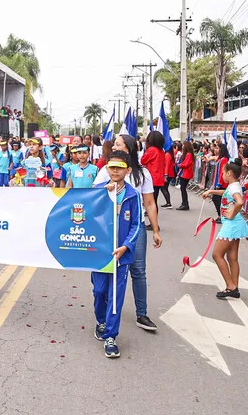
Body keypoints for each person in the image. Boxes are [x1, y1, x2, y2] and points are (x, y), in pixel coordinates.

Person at [93, 134, 161, 332]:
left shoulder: (142, 173)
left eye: (119, 143)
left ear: (129, 149)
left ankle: (142, 314)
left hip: (135, 227)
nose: (114, 145)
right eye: (114, 143)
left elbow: (149, 202)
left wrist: (155, 230)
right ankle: (107, 314)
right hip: (109, 228)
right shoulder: (106, 171)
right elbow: (94, 193)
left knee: (138, 270)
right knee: (107, 272)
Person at [91, 151, 142, 358]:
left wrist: (126, 246)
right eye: (111, 167)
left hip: (121, 256)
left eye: (119, 167)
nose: (114, 170)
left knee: (116, 295)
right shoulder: (96, 191)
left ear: (128, 170)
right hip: (99, 254)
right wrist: (103, 194)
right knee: (100, 291)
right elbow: (85, 216)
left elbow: (137, 224)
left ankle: (111, 336)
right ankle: (101, 321)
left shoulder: (132, 195)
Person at [202, 160, 248, 299]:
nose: (222, 175)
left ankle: (231, 286)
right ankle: (234, 286)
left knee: (217, 254)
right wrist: (211, 191)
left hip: (231, 224)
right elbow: (227, 193)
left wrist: (233, 213)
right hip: (235, 224)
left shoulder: (234, 187)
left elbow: (239, 201)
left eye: (223, 172)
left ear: (229, 173)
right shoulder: (234, 185)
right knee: (232, 257)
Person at [141, 131, 166, 210]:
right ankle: (153, 220)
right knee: (154, 200)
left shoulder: (151, 150)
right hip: (158, 179)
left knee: (151, 202)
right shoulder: (161, 151)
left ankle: (153, 220)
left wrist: (146, 149)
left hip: (152, 178)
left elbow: (143, 160)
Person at [176, 141, 195, 211]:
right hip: (185, 173)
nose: (183, 147)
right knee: (183, 189)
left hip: (186, 174)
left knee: (183, 189)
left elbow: (186, 164)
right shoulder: (188, 154)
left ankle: (185, 204)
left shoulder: (188, 154)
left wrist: (180, 165)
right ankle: (184, 203)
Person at [163, 144, 176, 208]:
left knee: (164, 188)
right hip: (169, 173)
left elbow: (167, 165)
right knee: (165, 188)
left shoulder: (167, 155)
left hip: (168, 174)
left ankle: (168, 202)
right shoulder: (170, 154)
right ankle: (168, 202)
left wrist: (165, 175)